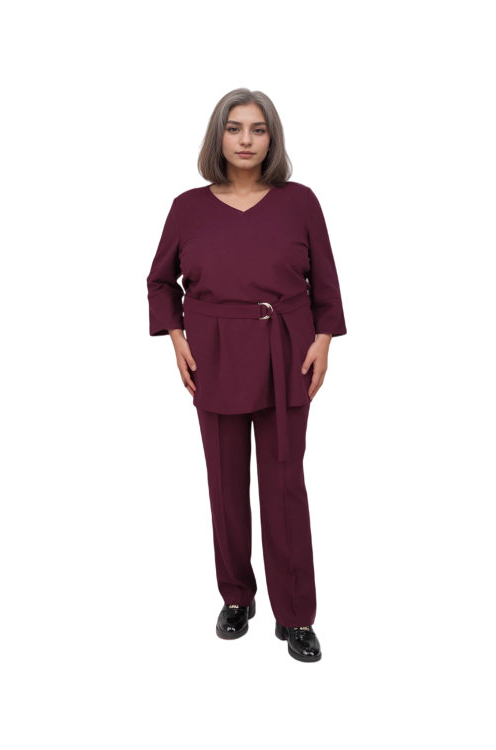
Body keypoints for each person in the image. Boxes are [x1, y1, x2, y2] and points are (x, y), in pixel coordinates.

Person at [146, 87, 347, 664]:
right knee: (224, 484)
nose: (245, 140)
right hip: (212, 355)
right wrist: (177, 338)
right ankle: (236, 596)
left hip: (287, 351)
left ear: (272, 139)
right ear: (218, 137)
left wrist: (324, 340)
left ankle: (296, 613)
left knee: (285, 485)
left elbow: (327, 282)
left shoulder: (301, 200)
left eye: (258, 129)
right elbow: (160, 282)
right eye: (234, 128)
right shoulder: (186, 206)